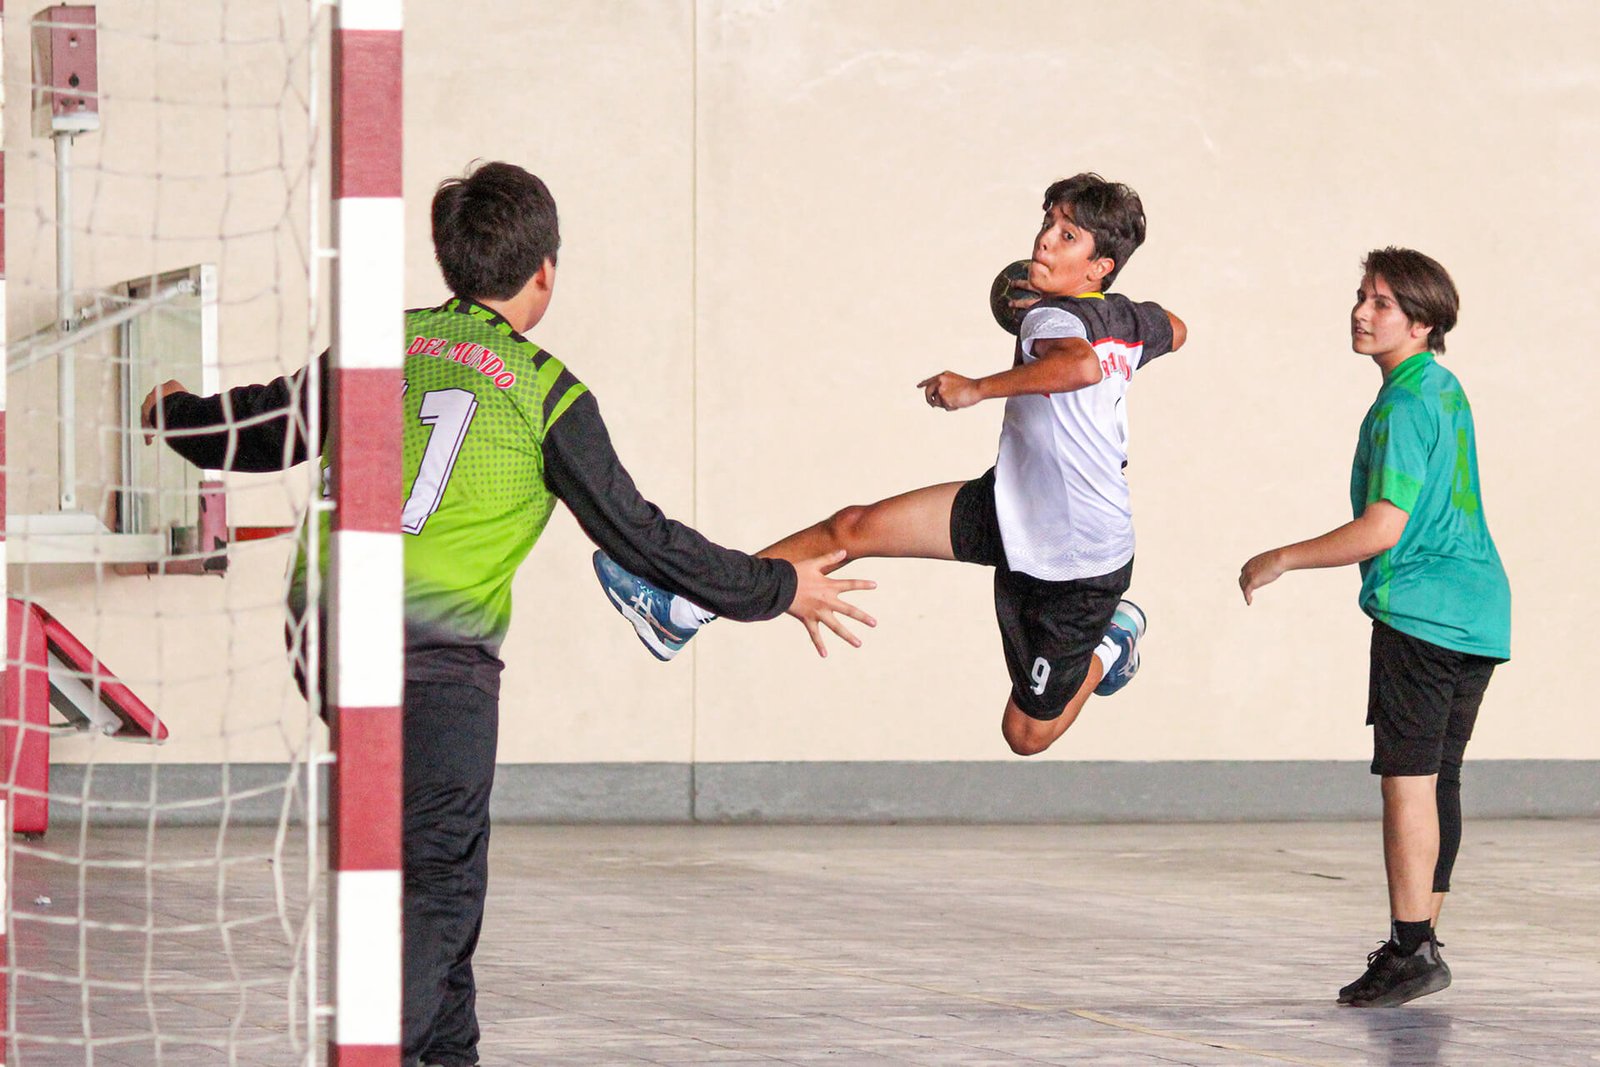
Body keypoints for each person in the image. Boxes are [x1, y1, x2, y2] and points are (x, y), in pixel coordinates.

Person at [141, 161, 875, 1067]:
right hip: (434, 655)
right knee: (437, 876)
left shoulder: (383, 342)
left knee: (444, 855)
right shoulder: (546, 391)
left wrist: (168, 410)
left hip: (323, 632)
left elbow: (257, 430)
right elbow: (641, 536)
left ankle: (450, 1054)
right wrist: (778, 587)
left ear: (451, 261)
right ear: (546, 272)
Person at [594, 173, 1186, 756]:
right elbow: (1176, 330)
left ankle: (1113, 642)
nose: (1045, 241)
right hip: (1010, 505)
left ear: (1099, 266)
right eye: (1047, 224)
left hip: (1081, 559)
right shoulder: (1130, 319)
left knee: (1026, 735)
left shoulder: (1052, 320)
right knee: (851, 527)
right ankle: (686, 608)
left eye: (1068, 237)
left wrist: (978, 387)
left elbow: (1079, 367)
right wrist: (1121, 327)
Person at [1239, 247, 1510, 1008]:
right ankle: (1419, 941)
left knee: (1407, 779)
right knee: (1438, 778)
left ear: (1423, 320)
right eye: (1361, 296)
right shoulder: (1443, 389)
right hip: (1480, 610)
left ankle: (1411, 946)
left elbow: (1382, 526)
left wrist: (1283, 556)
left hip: (1423, 613)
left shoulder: (1401, 404)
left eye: (1383, 302)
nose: (1362, 312)